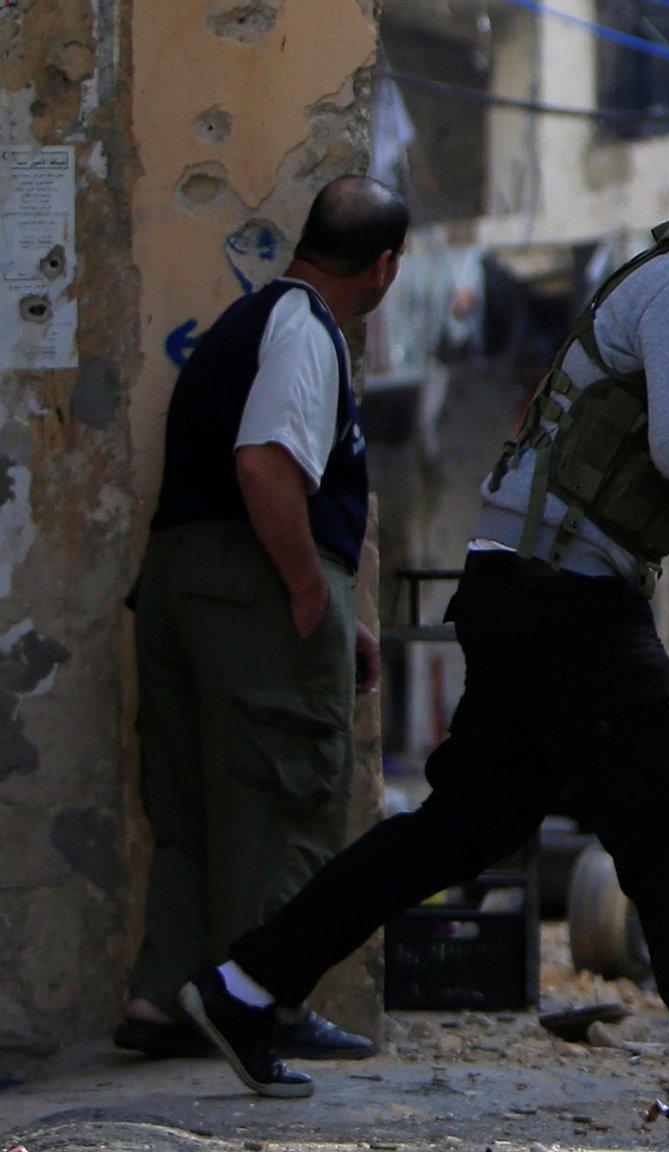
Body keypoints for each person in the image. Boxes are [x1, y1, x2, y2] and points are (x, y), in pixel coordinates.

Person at [180, 147, 669, 1142]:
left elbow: (656, 494)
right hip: (561, 601)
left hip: (527, 586)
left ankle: (245, 985)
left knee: (458, 828)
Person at [118, 176, 409, 1062]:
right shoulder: (305, 329)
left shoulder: (247, 323)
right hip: (250, 580)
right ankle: (262, 1006)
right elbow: (264, 466)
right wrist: (308, 589)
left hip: (181, 581)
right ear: (387, 267)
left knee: (196, 806)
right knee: (283, 798)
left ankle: (165, 1001)